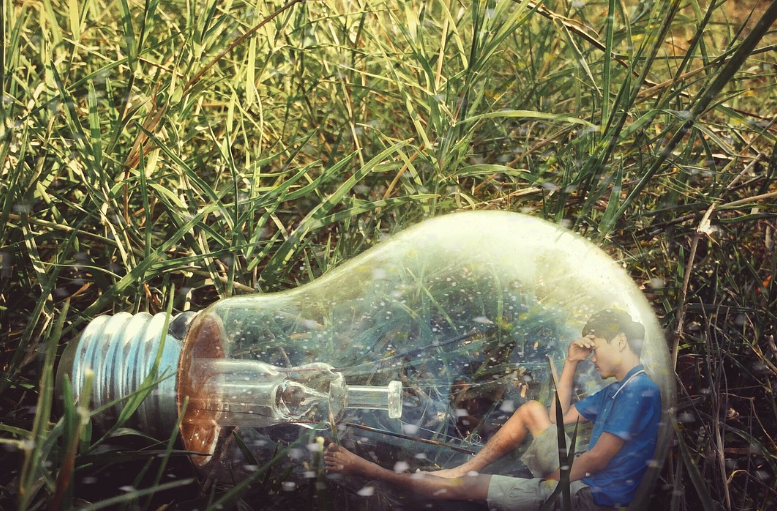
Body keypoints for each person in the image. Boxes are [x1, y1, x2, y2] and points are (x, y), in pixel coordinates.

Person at [324, 309, 662, 510]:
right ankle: (465, 467)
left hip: (589, 498)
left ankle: (373, 472)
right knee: (531, 410)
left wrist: (552, 480)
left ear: (619, 341)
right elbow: (560, 419)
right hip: (586, 478)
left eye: (597, 347)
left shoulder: (638, 391)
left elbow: (597, 460)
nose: (595, 356)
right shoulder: (619, 389)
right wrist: (571, 363)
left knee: (471, 488)